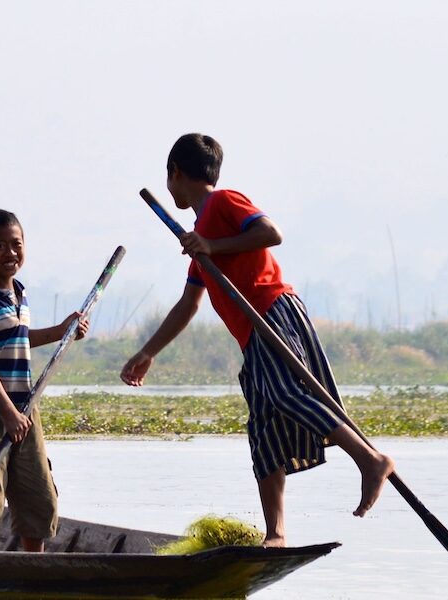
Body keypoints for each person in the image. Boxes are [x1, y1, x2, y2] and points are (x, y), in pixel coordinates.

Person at [120, 133, 397, 547]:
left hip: (273, 313)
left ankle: (370, 459)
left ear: (175, 173)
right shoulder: (199, 234)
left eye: (169, 177)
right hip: (252, 335)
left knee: (286, 395)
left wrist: (212, 244)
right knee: (264, 430)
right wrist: (147, 352)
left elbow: (270, 232)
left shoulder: (222, 202)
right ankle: (276, 533)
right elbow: (188, 305)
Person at [0, 208, 88, 552]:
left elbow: (19, 338)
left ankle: (33, 570)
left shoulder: (20, 294)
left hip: (25, 408)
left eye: (16, 244)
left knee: (39, 498)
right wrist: (7, 413)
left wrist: (62, 331)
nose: (10, 253)